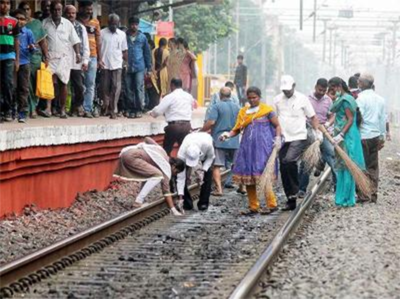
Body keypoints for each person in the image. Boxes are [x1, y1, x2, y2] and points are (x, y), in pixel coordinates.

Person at [220, 87, 282, 215]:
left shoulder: (267, 111)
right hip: (247, 149)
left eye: (255, 97)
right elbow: (237, 129)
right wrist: (227, 135)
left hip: (263, 149)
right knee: (248, 177)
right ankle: (253, 206)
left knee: (264, 176)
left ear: (259, 97)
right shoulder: (244, 112)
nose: (252, 100)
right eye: (250, 98)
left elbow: (277, 125)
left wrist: (277, 138)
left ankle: (272, 204)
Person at [274, 75, 323, 211]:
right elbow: (275, 119)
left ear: (294, 86)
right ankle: (290, 197)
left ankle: (295, 191)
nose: (286, 92)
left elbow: (313, 117)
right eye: (284, 90)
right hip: (284, 138)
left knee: (289, 161)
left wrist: (318, 133)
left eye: (288, 90)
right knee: (283, 165)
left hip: (299, 136)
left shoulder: (302, 99)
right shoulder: (277, 100)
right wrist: (277, 137)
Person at [114, 137, 185, 216]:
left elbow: (147, 139)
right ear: (174, 166)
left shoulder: (162, 152)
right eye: (176, 172)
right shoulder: (166, 167)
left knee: (151, 174)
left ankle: (139, 200)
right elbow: (166, 191)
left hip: (127, 153)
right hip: (133, 158)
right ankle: (138, 202)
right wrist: (173, 210)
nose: (175, 174)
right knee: (158, 175)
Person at [325, 77, 365, 207]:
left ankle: (347, 198)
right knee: (341, 164)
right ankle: (341, 198)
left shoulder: (346, 100)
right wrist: (328, 124)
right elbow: (338, 115)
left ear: (338, 87)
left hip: (347, 136)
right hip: (342, 135)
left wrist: (341, 134)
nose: (331, 91)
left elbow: (350, 119)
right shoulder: (341, 99)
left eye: (332, 88)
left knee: (347, 166)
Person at [42, 0, 81, 118]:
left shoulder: (68, 24)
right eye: (54, 10)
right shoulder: (45, 23)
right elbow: (41, 40)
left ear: (62, 11)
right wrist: (44, 54)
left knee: (63, 83)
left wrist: (78, 54)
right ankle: (48, 108)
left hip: (64, 57)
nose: (56, 12)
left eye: (59, 10)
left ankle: (62, 110)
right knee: (48, 83)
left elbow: (75, 40)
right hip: (49, 57)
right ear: (51, 10)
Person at [298, 78, 336, 196]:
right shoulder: (307, 99)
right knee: (307, 161)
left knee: (332, 157)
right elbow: (301, 115)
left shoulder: (328, 101)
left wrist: (328, 124)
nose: (321, 93)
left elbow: (332, 115)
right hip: (310, 133)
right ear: (315, 87)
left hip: (324, 133)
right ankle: (301, 189)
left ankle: (338, 187)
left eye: (324, 91)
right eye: (320, 90)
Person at [201, 87, 240, 195]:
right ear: (230, 95)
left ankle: (219, 190)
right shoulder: (237, 107)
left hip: (219, 140)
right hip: (234, 139)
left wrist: (201, 130)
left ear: (220, 95)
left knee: (217, 165)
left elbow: (211, 122)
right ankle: (242, 187)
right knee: (236, 163)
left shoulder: (216, 106)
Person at [356, 73, 386, 203]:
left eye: (359, 82)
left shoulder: (360, 99)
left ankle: (363, 194)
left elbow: (359, 117)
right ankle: (373, 194)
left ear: (362, 84)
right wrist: (382, 136)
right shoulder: (380, 99)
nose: (358, 84)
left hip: (363, 135)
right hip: (375, 136)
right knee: (373, 166)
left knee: (361, 165)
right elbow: (382, 119)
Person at [18, 1, 49, 119]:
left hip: (36, 56)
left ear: (30, 10)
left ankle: (34, 106)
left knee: (35, 82)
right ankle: (30, 109)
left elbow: (43, 41)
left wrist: (46, 55)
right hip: (22, 57)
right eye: (23, 9)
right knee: (26, 84)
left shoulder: (36, 23)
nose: (26, 12)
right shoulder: (18, 23)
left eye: (27, 9)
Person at [149, 78, 195, 156]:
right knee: (186, 152)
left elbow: (158, 111)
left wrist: (152, 113)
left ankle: (165, 165)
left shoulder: (170, 97)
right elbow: (191, 108)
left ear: (172, 85)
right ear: (181, 85)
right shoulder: (189, 96)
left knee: (166, 151)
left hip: (174, 126)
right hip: (187, 126)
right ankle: (187, 167)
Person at [177, 132, 215, 211]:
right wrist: (180, 196)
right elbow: (180, 176)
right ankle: (186, 203)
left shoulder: (208, 144)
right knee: (181, 175)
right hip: (190, 141)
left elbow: (210, 158)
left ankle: (203, 203)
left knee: (208, 175)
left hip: (207, 148)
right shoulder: (181, 153)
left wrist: (203, 170)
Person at [100, 13, 128, 119]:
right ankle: (106, 106)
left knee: (116, 86)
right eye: (112, 24)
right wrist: (99, 60)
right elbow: (99, 48)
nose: (114, 26)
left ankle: (113, 109)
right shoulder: (102, 33)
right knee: (105, 87)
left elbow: (124, 50)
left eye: (116, 24)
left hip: (117, 64)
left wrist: (126, 63)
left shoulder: (122, 34)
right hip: (105, 64)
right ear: (108, 23)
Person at [78, 0, 102, 118]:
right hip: (78, 57)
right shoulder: (75, 21)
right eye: (87, 8)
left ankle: (87, 108)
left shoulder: (95, 22)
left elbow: (98, 41)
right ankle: (77, 107)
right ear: (81, 8)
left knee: (90, 83)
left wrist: (100, 58)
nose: (90, 11)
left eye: (91, 9)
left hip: (92, 56)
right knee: (77, 84)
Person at [65, 5, 90, 117]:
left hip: (76, 62)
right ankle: (63, 109)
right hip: (63, 61)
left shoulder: (81, 28)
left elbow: (85, 46)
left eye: (73, 13)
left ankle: (77, 106)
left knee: (79, 87)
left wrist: (85, 61)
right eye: (69, 13)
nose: (71, 15)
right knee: (63, 87)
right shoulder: (61, 26)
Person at [12, 9, 35, 123]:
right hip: (11, 62)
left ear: (26, 21)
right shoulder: (10, 31)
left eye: (22, 19)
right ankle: (12, 110)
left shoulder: (28, 32)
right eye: (17, 19)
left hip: (25, 62)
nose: (20, 21)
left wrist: (31, 48)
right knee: (12, 87)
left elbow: (33, 49)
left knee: (24, 88)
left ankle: (23, 112)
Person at [125, 16, 152, 119]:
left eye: (136, 24)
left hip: (139, 66)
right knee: (128, 88)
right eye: (132, 24)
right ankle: (130, 108)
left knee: (138, 88)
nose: (134, 26)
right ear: (129, 25)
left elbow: (147, 53)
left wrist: (149, 68)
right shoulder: (124, 36)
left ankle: (139, 109)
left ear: (138, 25)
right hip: (127, 66)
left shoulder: (142, 37)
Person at [0, 0, 19, 122]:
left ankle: (8, 109)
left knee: (8, 83)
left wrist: (17, 59)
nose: (4, 5)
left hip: (9, 55)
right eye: (2, 2)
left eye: (7, 3)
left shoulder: (14, 21)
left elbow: (16, 40)